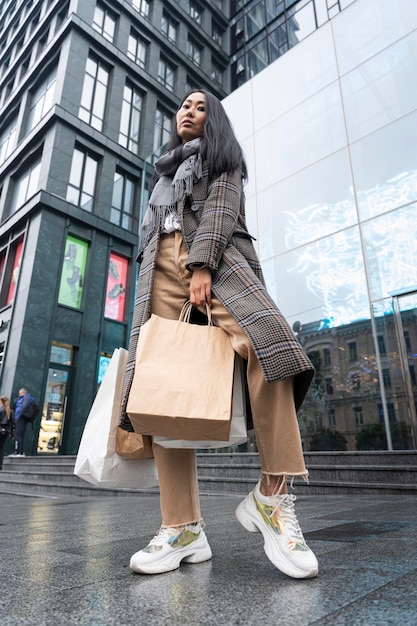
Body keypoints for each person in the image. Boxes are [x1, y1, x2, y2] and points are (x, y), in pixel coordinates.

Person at [121, 89, 318, 579]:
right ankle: (182, 528)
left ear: (215, 120)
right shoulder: (163, 171)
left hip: (213, 263)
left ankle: (273, 494)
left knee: (269, 347)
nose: (188, 110)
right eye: (184, 105)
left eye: (200, 106)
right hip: (157, 277)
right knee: (164, 391)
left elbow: (219, 212)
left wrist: (202, 263)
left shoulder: (222, 159)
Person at [12, 388, 34, 457]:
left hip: (20, 418)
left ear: (22, 393)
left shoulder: (25, 398)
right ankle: (20, 451)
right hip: (21, 418)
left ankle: (19, 451)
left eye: (19, 393)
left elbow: (23, 407)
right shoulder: (26, 398)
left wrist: (19, 416)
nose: (19, 395)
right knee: (20, 435)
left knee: (19, 435)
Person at [0, 396, 14, 469]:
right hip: (6, 431)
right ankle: (0, 465)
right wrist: (11, 433)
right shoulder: (10, 411)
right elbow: (13, 423)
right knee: (1, 448)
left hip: (1, 430)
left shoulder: (1, 410)